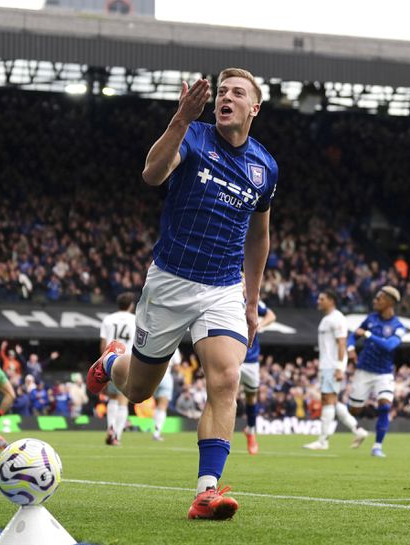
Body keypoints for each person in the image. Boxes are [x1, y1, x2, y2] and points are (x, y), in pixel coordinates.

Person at [87, 68, 278, 520]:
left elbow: (259, 237)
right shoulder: (192, 136)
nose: (225, 98)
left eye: (237, 93)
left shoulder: (265, 166)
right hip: (171, 282)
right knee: (137, 391)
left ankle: (206, 491)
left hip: (224, 288)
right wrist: (178, 119)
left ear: (254, 108)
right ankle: (113, 360)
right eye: (222, 92)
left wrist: (252, 302)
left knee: (226, 378)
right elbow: (152, 174)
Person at [303, 290, 368, 450]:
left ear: (331, 300)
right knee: (332, 401)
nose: (318, 301)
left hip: (332, 366)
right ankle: (357, 430)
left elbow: (341, 344)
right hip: (326, 366)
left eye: (322, 298)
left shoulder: (338, 319)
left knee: (327, 400)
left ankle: (323, 440)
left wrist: (339, 368)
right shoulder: (326, 319)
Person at [347, 286, 406, 458]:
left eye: (379, 298)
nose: (375, 300)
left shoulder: (398, 326)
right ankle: (357, 428)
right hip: (364, 371)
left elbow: (390, 346)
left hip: (384, 374)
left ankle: (377, 446)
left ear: (389, 302)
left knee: (385, 406)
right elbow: (353, 335)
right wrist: (351, 348)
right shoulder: (371, 319)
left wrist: (367, 334)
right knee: (354, 410)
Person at [99, 292, 137, 446]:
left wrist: (102, 363)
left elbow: (103, 343)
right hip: (127, 361)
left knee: (112, 399)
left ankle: (110, 427)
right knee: (123, 400)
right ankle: (116, 435)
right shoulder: (135, 320)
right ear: (131, 305)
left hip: (110, 360)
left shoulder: (108, 319)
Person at [241, 297, 276, 455]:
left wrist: (259, 325)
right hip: (230, 355)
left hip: (251, 359)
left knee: (251, 396)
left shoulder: (252, 301)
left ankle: (251, 431)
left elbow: (271, 315)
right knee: (223, 395)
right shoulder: (224, 294)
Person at [152, 348, 182, 441]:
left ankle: (156, 430)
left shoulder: (153, 341)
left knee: (157, 406)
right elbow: (177, 366)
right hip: (165, 375)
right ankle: (157, 433)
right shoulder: (173, 345)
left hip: (152, 377)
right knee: (162, 406)